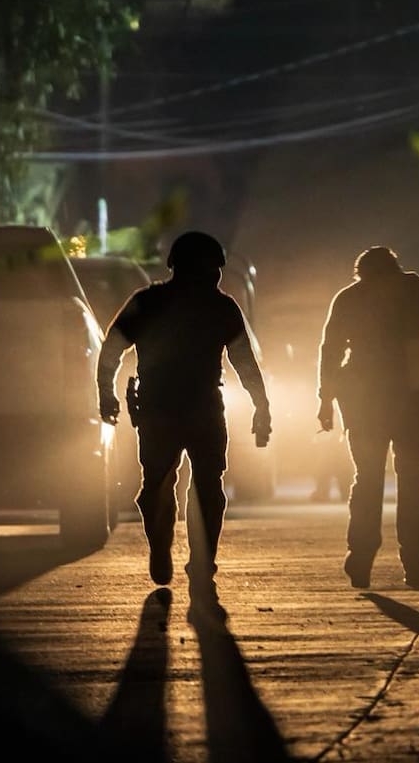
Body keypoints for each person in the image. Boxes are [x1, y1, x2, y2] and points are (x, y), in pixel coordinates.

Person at [97, 231, 272, 588]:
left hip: (160, 410)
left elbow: (111, 350)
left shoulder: (147, 302)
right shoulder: (221, 307)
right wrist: (261, 406)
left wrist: (106, 394)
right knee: (207, 485)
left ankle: (164, 547)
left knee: (160, 484)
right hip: (203, 408)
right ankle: (201, 559)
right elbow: (245, 363)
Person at [316, 246, 419, 589]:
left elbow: (331, 350)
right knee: (412, 478)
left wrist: (326, 400)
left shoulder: (351, 297)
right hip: (412, 401)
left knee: (368, 477)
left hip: (364, 402)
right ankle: (414, 563)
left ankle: (361, 557)